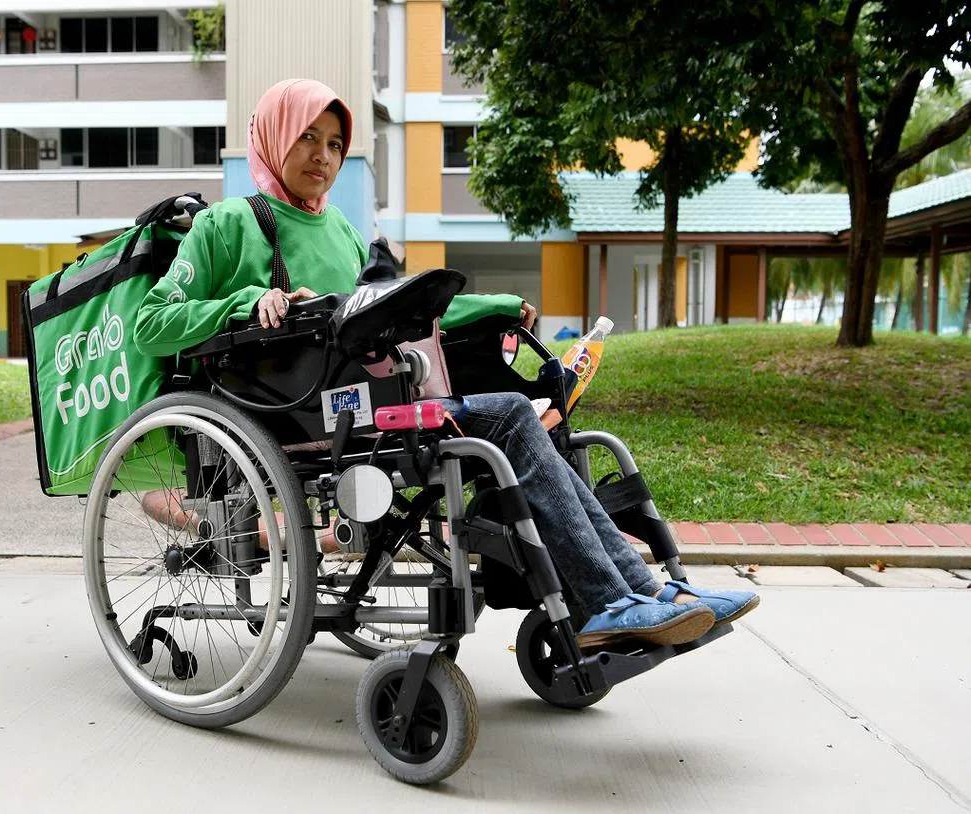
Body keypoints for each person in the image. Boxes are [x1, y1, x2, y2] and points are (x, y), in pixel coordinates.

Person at [133, 78, 759, 651]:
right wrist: (248, 303)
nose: (323, 155)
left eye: (334, 143)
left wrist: (499, 308)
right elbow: (152, 323)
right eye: (307, 137)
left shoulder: (345, 234)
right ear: (272, 138)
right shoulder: (228, 224)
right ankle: (611, 601)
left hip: (372, 404)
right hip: (295, 416)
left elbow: (402, 309)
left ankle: (645, 596)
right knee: (512, 419)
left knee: (538, 416)